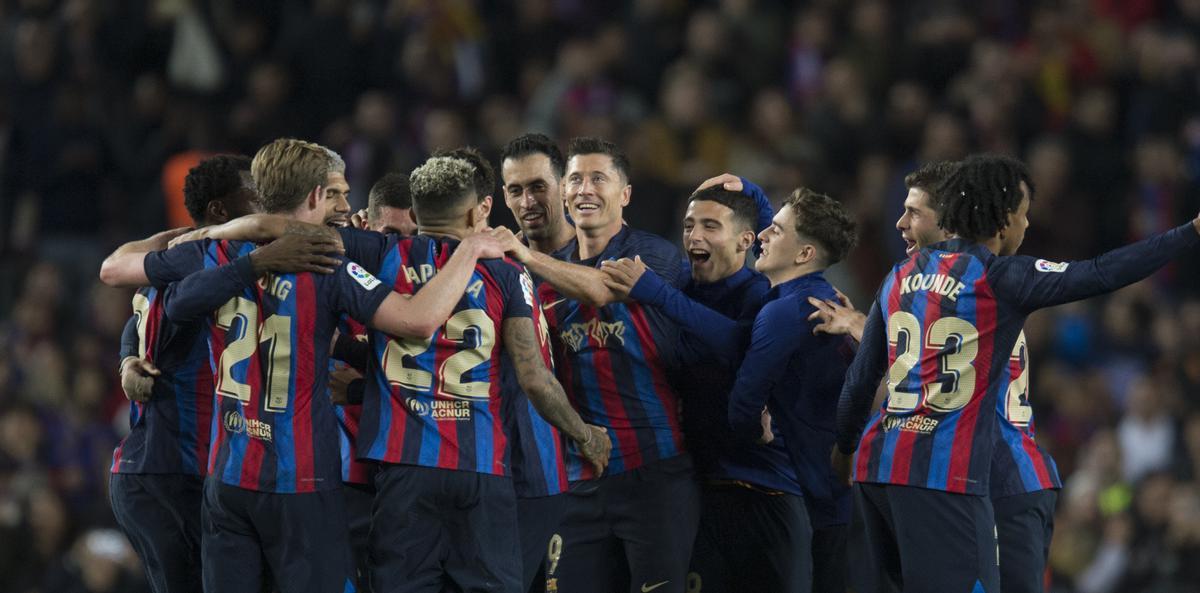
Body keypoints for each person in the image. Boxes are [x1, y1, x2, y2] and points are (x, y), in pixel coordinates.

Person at [100, 138, 508, 593]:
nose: (342, 205)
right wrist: (471, 249)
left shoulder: (210, 254)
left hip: (228, 478)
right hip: (299, 481)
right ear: (314, 196)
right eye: (333, 194)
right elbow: (417, 321)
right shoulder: (327, 261)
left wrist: (234, 245)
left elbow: (146, 289)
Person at [834, 154, 1200, 593]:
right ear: (1005, 221)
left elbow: (859, 382)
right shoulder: (1000, 279)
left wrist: (843, 453)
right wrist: (1190, 232)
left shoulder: (898, 275)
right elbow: (1102, 273)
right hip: (943, 474)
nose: (1027, 227)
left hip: (877, 466)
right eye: (1024, 216)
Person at [342, 155, 610, 593]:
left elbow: (296, 234)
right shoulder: (505, 272)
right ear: (475, 212)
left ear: (413, 213)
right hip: (482, 467)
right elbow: (535, 378)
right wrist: (583, 435)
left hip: (404, 466)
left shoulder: (378, 254)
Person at [604, 186, 859, 593]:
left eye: (709, 225)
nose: (693, 235)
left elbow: (741, 346)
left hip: (777, 491)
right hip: (706, 490)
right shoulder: (686, 284)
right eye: (688, 225)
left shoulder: (771, 300)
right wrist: (752, 195)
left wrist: (748, 420)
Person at [497, 137, 699, 593]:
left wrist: (527, 256)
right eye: (575, 180)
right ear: (564, 194)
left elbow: (604, 288)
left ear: (624, 194)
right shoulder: (543, 276)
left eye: (598, 179)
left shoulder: (655, 254)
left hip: (656, 472)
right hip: (583, 479)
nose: (585, 189)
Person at [108, 154, 262, 593]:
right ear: (219, 211)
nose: (264, 204)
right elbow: (154, 311)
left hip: (191, 473)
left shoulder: (178, 263)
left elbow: (135, 324)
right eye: (253, 195)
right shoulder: (196, 266)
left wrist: (126, 356)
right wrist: (129, 361)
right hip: (169, 473)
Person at [497, 133, 575, 592]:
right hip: (517, 470)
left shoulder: (598, 261)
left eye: (538, 187)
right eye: (515, 190)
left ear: (564, 185)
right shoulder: (490, 263)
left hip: (591, 470)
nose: (527, 201)